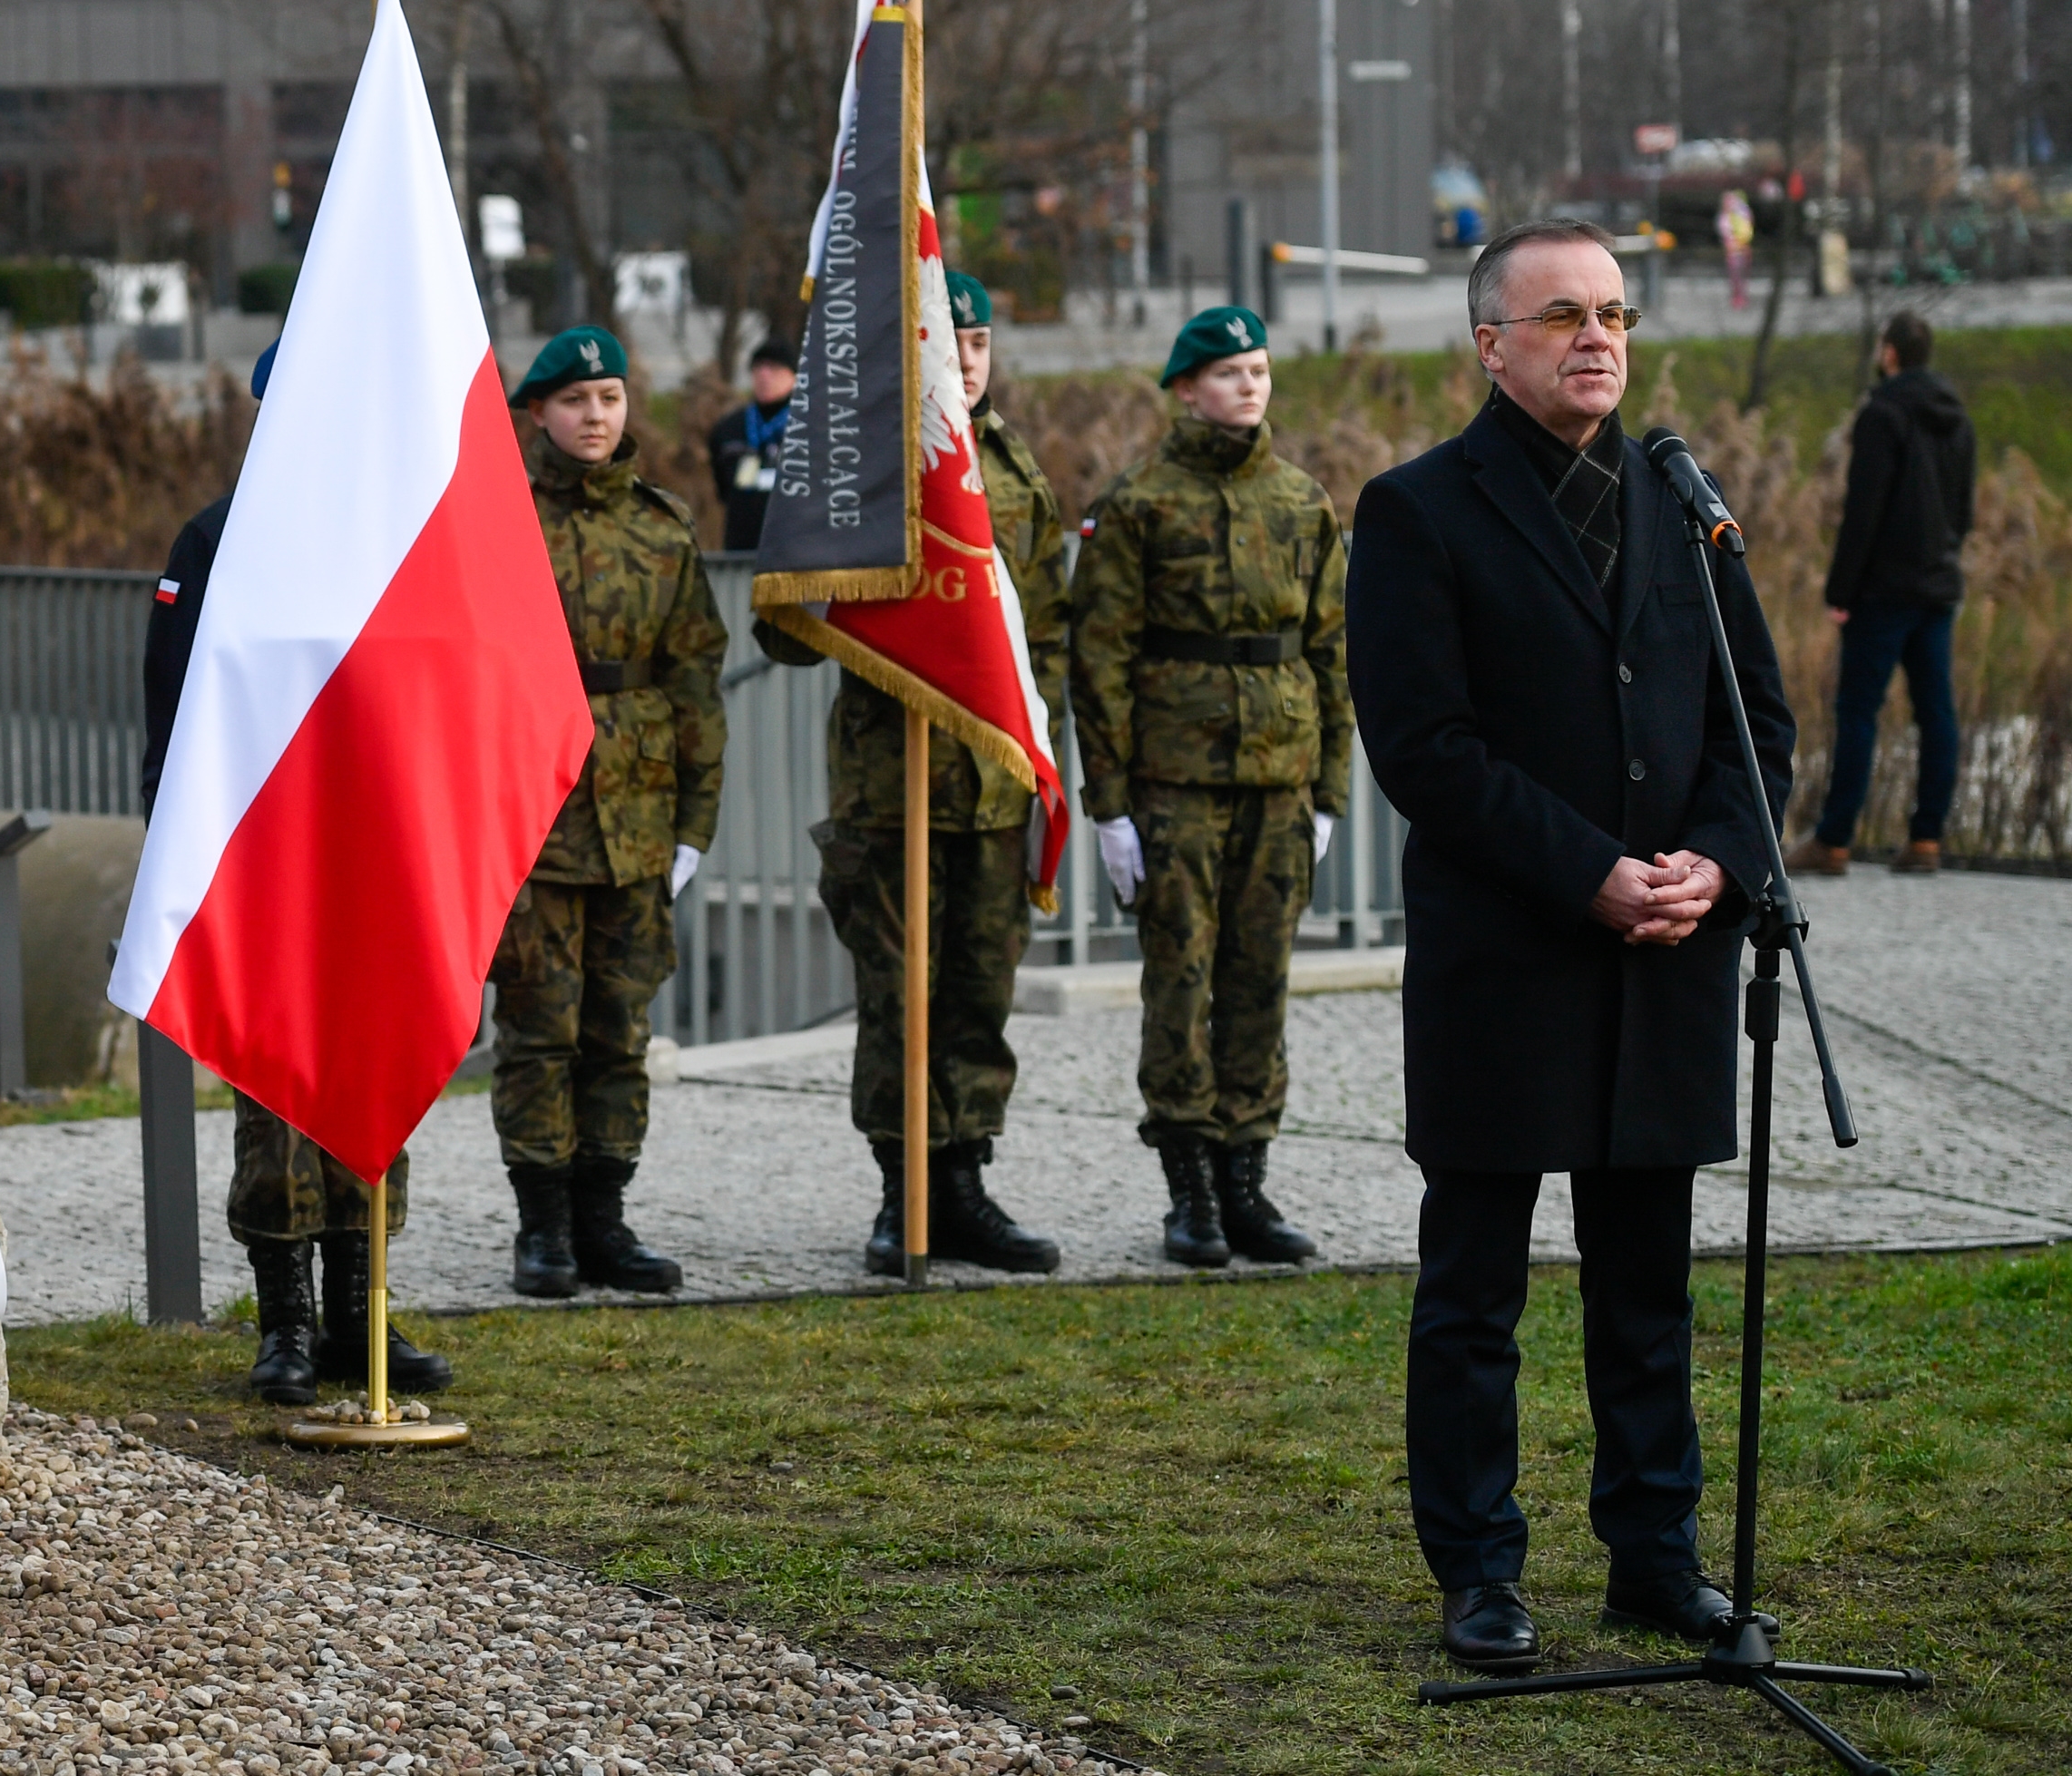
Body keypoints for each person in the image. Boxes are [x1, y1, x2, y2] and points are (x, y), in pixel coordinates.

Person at [1347, 218, 1793, 1673]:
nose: (1598, 337)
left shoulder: (1682, 502)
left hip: (1667, 956)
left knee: (1648, 1287)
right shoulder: (1419, 509)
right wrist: (1585, 872)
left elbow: (1754, 721)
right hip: (1507, 961)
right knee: (1475, 1292)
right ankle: (1479, 1568)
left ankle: (1656, 1558)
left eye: (1614, 313)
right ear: (1493, 345)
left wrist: (1718, 862)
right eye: (1563, 316)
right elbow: (1425, 744)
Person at [140, 339, 454, 1406]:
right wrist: (178, 847)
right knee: (274, 1087)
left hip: (377, 853)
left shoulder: (393, 538)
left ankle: (360, 1312)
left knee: (371, 1075)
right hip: (263, 857)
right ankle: (285, 1319)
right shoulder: (215, 540)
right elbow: (173, 712)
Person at [752, 270, 1063, 1275]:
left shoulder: (1014, 475)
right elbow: (783, 632)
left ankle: (964, 1182)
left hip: (992, 786)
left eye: (977, 345)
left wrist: (1042, 755)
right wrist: (831, 545)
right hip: (891, 790)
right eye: (946, 343)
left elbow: (1045, 638)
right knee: (899, 1000)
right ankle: (904, 1189)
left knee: (978, 996)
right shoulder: (864, 469)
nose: (963, 362)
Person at [1065, 304, 1345, 1271]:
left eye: (1258, 369)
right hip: (1174, 783)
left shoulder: (1301, 501)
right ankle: (1189, 1190)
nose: (1248, 385)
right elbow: (1100, 660)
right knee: (1180, 982)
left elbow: (1331, 651)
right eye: (1228, 373)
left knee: (1260, 979)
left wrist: (1329, 792)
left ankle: (1245, 1182)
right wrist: (1110, 806)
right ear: (1186, 390)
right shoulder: (1139, 503)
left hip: (1279, 777)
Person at [491, 324, 726, 1299]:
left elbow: (695, 680)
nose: (596, 416)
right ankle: (542, 1225)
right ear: (538, 413)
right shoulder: (499, 523)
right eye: (576, 400)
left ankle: (604, 1216)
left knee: (619, 1031)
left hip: (637, 816)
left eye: (611, 398)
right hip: (535, 816)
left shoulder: (663, 526)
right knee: (539, 1029)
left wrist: (694, 824)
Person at [1794, 309, 1975, 877]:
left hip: (1884, 591)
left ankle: (1834, 841)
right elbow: (1963, 511)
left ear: (1890, 352)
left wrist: (1840, 590)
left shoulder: (1883, 413)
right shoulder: (1957, 418)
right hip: (1938, 586)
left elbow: (1864, 511)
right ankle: (1926, 840)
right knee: (1937, 713)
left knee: (1858, 710)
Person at [705, 337, 797, 551]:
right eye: (758, 368)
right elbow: (722, 487)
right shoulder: (730, 428)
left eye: (774, 368)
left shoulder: (811, 427)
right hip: (742, 546)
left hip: (795, 548)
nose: (764, 375)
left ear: (794, 375)